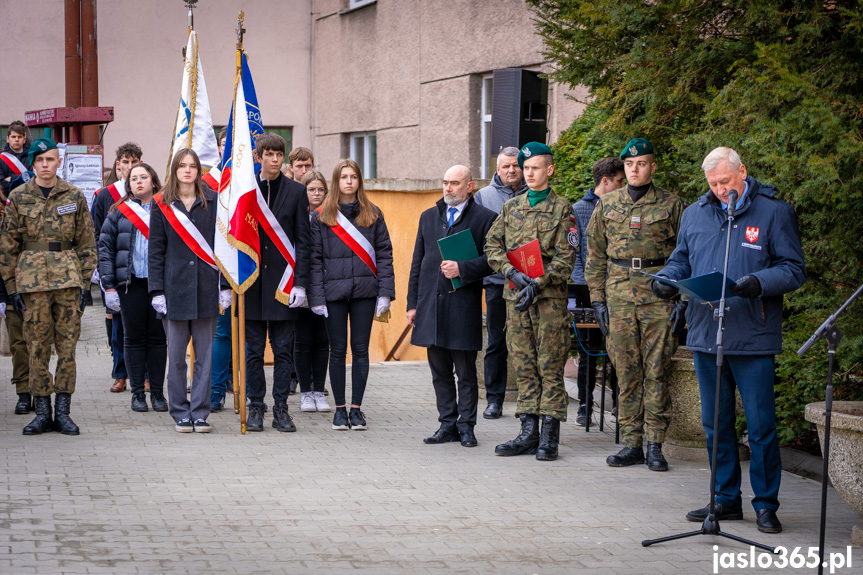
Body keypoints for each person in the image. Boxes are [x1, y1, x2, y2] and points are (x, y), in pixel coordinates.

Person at [655, 147, 806, 533]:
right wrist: (667, 280)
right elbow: (682, 259)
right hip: (706, 334)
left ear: (743, 171)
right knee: (715, 424)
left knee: (760, 426)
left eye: (725, 181)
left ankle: (766, 504)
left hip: (753, 335)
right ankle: (724, 499)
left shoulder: (774, 212)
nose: (721, 189)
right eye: (713, 183)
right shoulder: (695, 214)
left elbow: (793, 269)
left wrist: (759, 283)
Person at [585, 138, 686, 472]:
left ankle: (655, 443)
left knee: (656, 371)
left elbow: (687, 256)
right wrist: (597, 300)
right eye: (629, 165)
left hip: (658, 296)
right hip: (618, 296)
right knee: (626, 373)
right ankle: (631, 442)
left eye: (641, 163)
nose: (635, 169)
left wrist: (683, 299)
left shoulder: (672, 205)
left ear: (652, 166)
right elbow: (595, 255)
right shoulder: (608, 203)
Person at [485, 142, 578, 461]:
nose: (528, 173)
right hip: (516, 298)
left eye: (535, 168)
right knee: (523, 364)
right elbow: (492, 245)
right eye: (526, 168)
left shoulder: (563, 208)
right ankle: (528, 431)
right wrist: (512, 272)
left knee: (549, 366)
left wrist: (537, 282)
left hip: (548, 301)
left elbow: (567, 258)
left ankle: (549, 435)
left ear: (549, 170)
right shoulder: (511, 208)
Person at [0, 137, 97, 436]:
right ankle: (42, 412)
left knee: (67, 348)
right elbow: (7, 246)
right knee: (37, 348)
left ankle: (63, 412)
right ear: (33, 163)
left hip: (68, 281)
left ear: (58, 162)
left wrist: (84, 285)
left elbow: (86, 242)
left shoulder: (75, 195)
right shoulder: (18, 197)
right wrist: (12, 288)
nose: (45, 165)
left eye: (51, 159)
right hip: (32, 284)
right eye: (40, 160)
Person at [407, 165, 496, 447]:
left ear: (470, 186)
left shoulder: (486, 218)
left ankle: (467, 426)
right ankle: (447, 424)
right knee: (439, 372)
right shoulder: (429, 216)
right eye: (445, 182)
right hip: (431, 306)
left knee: (466, 372)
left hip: (463, 306)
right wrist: (412, 305)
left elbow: (493, 260)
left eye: (455, 183)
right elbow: (417, 263)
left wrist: (463, 268)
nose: (448, 188)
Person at [309, 159, 395, 431]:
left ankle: (356, 409)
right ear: (336, 181)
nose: (348, 181)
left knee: (359, 351)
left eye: (353, 176)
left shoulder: (373, 213)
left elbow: (384, 255)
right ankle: (339, 409)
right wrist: (317, 297)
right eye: (344, 176)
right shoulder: (322, 216)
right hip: (333, 294)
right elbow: (314, 260)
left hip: (364, 293)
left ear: (359, 181)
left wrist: (385, 293)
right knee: (337, 352)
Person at [148, 148, 228, 433]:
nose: (187, 171)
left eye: (192, 165)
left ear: (198, 170)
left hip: (207, 288)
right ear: (175, 170)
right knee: (178, 357)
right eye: (182, 165)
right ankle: (180, 411)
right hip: (174, 290)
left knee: (205, 358)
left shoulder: (213, 202)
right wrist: (156, 290)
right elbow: (155, 250)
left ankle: (201, 412)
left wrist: (226, 286)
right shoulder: (161, 204)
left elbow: (223, 247)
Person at [243, 133, 311, 433]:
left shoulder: (296, 192)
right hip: (253, 284)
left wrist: (301, 284)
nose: (274, 159)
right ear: (258, 156)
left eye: (279, 154)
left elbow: (303, 241)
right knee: (254, 351)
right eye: (268, 154)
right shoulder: (245, 190)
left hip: (283, 285)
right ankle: (256, 406)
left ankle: (281, 408)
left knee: (283, 351)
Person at [98, 163, 168, 414]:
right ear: (128, 185)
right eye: (133, 178)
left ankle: (158, 394)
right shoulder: (118, 212)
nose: (138, 182)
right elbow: (105, 250)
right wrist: (108, 286)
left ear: (153, 181)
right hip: (130, 284)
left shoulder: (167, 209)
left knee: (159, 340)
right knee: (134, 339)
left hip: (160, 285)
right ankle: (138, 393)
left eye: (143, 177)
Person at [474, 146, 528, 419]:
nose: (511, 170)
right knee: (496, 341)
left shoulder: (535, 193)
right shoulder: (483, 197)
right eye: (505, 166)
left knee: (526, 342)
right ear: (497, 169)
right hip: (496, 281)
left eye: (516, 166)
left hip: (529, 281)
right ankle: (494, 400)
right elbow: (480, 240)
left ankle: (527, 401)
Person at [571, 157, 625, 426]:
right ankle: (584, 406)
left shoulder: (624, 207)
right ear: (606, 181)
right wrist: (589, 288)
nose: (623, 185)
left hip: (617, 290)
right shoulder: (579, 209)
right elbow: (575, 254)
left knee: (618, 349)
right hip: (585, 291)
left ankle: (618, 404)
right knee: (588, 351)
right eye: (619, 181)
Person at [93, 142, 143, 394]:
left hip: (141, 272)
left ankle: (143, 374)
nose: (130, 166)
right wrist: (104, 273)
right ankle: (121, 373)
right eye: (126, 162)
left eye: (135, 162)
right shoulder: (105, 196)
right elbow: (97, 235)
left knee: (143, 324)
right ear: (118, 165)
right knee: (118, 325)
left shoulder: (147, 195)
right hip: (115, 272)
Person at [0, 124, 34, 415]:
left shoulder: (41, 213)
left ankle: (41, 392)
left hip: (39, 288)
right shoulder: (3, 220)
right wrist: (3, 294)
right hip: (12, 289)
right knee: (19, 344)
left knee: (42, 343)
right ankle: (23, 392)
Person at [296, 170, 331, 413]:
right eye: (311, 189)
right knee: (302, 341)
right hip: (301, 286)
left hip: (326, 287)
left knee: (322, 341)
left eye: (321, 190)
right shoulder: (296, 216)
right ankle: (305, 393)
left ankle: (319, 390)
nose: (316, 194)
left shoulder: (332, 216)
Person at [210, 127, 232, 411]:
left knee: (252, 334)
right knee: (222, 332)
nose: (228, 147)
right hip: (219, 264)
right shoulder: (210, 180)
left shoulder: (252, 177)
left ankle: (251, 391)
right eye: (224, 143)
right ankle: (216, 391)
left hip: (251, 261)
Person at [1, 121, 30, 198]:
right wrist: (22, 180)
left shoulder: (31, 157)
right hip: (6, 200)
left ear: (24, 139)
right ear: (7, 139)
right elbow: (1, 184)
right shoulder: (1, 158)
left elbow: (34, 181)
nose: (16, 140)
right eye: (13, 137)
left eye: (19, 137)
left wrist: (12, 178)